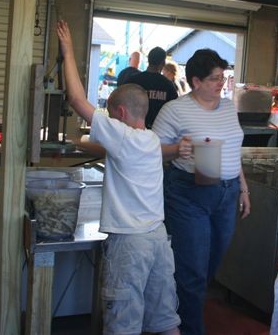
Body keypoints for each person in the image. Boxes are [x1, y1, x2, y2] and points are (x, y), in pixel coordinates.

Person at [56, 20, 181, 335]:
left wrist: (68, 50)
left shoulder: (122, 135)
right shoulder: (150, 140)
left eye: (111, 115)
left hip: (130, 244)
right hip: (157, 239)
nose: (109, 120)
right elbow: (116, 149)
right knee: (165, 320)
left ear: (121, 115)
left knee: (123, 323)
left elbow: (76, 100)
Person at [151, 49, 251, 335]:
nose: (221, 83)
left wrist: (243, 188)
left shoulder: (228, 107)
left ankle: (173, 316)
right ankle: (189, 329)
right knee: (192, 269)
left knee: (210, 265)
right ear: (195, 81)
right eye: (214, 79)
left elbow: (234, 151)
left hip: (227, 193)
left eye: (223, 77)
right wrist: (175, 149)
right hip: (188, 193)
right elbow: (150, 150)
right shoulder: (175, 110)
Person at [126, 47, 178, 128]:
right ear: (163, 63)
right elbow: (174, 111)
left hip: (133, 129)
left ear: (149, 60)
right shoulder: (168, 85)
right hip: (158, 131)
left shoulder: (132, 80)